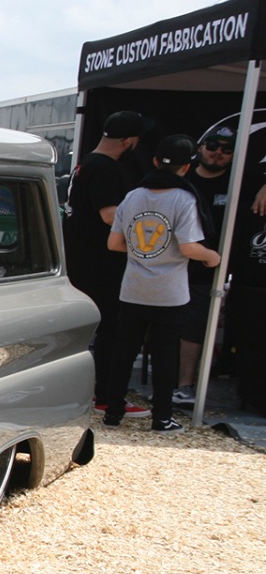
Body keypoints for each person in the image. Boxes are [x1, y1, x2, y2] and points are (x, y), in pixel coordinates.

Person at [101, 134, 221, 432]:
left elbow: (114, 244)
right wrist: (212, 257)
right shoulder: (184, 198)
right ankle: (162, 418)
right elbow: (189, 247)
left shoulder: (133, 196)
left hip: (133, 288)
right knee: (165, 355)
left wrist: (143, 252)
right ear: (187, 166)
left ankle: (112, 413)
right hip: (169, 292)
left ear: (155, 161)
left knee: (124, 352)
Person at [65, 109, 149, 418]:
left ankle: (88, 393)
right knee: (111, 330)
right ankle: (105, 396)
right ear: (128, 141)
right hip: (100, 264)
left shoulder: (86, 162)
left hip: (80, 260)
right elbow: (110, 215)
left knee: (88, 331)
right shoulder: (104, 168)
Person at [175, 124, 235, 404]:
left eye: (226, 149)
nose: (218, 153)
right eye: (212, 146)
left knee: (196, 327)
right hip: (172, 266)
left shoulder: (237, 184)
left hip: (210, 271)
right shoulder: (182, 181)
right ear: (200, 148)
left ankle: (185, 385)